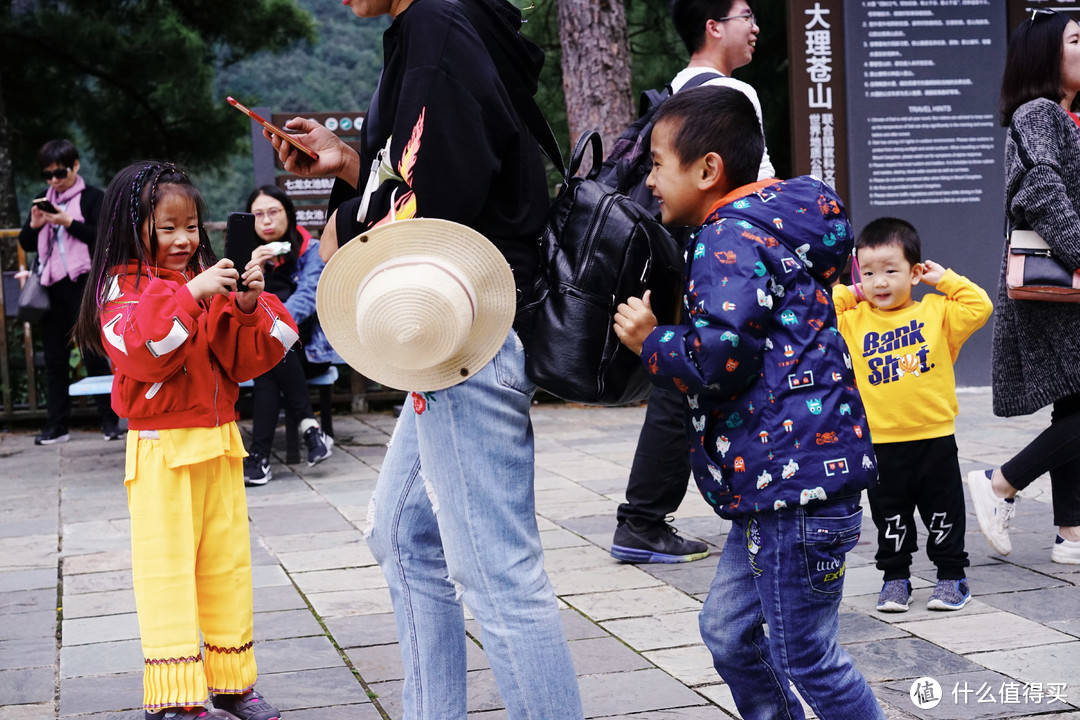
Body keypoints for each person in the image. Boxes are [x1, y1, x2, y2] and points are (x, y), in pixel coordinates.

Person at [266, 0, 584, 717]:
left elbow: (433, 203)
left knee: (497, 573)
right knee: (404, 532)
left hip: (469, 334)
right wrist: (349, 163)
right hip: (458, 330)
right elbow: (424, 168)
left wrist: (341, 227)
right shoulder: (439, 26)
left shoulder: (438, 29)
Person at [613, 85, 885, 719]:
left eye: (656, 163)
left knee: (805, 653)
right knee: (729, 635)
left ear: (707, 170)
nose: (649, 179)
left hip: (795, 490)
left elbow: (721, 356)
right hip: (782, 484)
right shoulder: (768, 233)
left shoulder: (725, 239)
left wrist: (651, 341)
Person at [73, 162, 296, 720]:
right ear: (133, 227)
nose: (184, 239)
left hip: (220, 442)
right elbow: (144, 354)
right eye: (167, 227)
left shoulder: (207, 277)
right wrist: (191, 292)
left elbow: (248, 357)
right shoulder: (122, 288)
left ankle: (232, 683)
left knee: (228, 566)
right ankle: (174, 698)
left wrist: (245, 305)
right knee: (166, 569)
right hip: (162, 449)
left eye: (192, 226)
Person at [612, 0, 774, 564]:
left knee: (679, 374)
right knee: (692, 375)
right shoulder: (730, 96)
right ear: (713, 27)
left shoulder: (676, 91)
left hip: (677, 246)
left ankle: (643, 517)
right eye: (745, 16)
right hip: (720, 247)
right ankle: (643, 517)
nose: (755, 28)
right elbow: (757, 180)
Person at [834, 218, 992, 612]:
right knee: (890, 515)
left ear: (915, 272)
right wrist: (855, 290)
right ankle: (895, 578)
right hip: (881, 441)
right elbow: (820, 306)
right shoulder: (854, 321)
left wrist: (944, 279)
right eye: (869, 273)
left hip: (933, 438)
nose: (880, 282)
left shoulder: (938, 312)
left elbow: (980, 305)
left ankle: (952, 577)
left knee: (944, 511)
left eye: (891, 271)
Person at [968, 9, 1080, 566]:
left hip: (1066, 286)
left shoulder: (1063, 115)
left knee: (1074, 404)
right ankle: (999, 483)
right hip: (1061, 285)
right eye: (1078, 40)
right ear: (1045, 53)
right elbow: (1038, 191)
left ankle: (1071, 533)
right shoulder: (1038, 113)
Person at [17, 139, 121, 444]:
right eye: (47, 174)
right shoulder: (42, 199)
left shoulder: (92, 198)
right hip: (51, 286)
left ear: (75, 165)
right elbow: (25, 243)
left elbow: (103, 238)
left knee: (93, 351)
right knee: (54, 358)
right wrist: (36, 225)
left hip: (85, 282)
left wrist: (67, 222)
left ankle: (109, 420)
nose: (54, 180)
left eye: (60, 172)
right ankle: (57, 425)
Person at [241, 185, 338, 485]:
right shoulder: (245, 255)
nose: (267, 220)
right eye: (258, 214)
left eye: (274, 212)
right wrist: (253, 266)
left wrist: (272, 325)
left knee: (272, 352)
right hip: (267, 353)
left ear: (289, 214)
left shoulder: (312, 250)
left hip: (310, 351)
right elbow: (234, 308)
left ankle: (259, 459)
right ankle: (310, 428)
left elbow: (308, 298)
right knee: (271, 356)